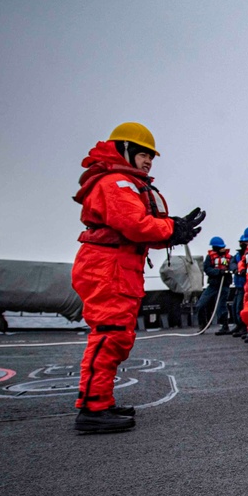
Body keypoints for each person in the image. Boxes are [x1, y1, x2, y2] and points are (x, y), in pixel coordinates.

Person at [71, 121, 204, 433]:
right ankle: (92, 408)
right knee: (110, 333)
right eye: (144, 155)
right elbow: (136, 225)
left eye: (151, 157)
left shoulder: (120, 183)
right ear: (124, 150)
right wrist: (174, 229)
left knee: (116, 334)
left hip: (115, 266)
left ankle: (99, 400)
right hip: (109, 268)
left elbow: (139, 229)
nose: (148, 161)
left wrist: (174, 230)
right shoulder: (117, 183)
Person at [194, 236, 233, 333]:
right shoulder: (209, 257)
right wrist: (218, 272)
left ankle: (225, 326)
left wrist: (227, 271)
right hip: (213, 285)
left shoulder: (228, 258)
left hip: (223, 285)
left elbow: (231, 266)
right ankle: (203, 324)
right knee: (200, 304)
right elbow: (207, 269)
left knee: (221, 305)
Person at [229, 227, 248, 337]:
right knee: (238, 307)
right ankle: (244, 327)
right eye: (246, 242)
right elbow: (239, 263)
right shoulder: (244, 254)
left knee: (245, 307)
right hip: (244, 285)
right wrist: (239, 269)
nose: (247, 244)